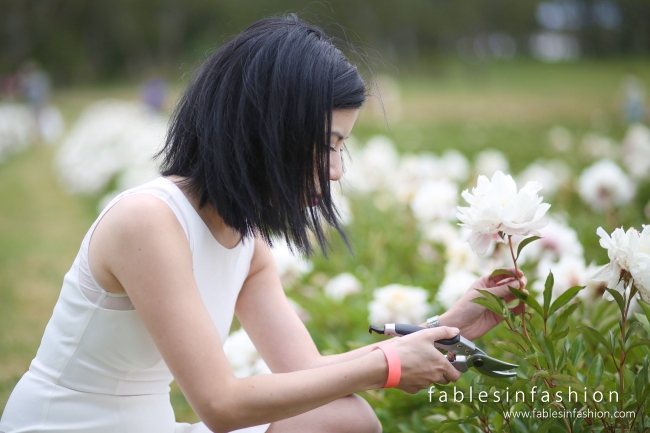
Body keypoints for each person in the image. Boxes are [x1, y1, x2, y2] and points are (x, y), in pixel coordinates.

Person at [0, 14, 527, 433]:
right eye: (329, 147)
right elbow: (221, 405)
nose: (338, 171)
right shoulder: (149, 222)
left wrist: (437, 332)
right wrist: (388, 365)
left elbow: (306, 372)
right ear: (267, 131)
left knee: (342, 419)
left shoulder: (247, 244)